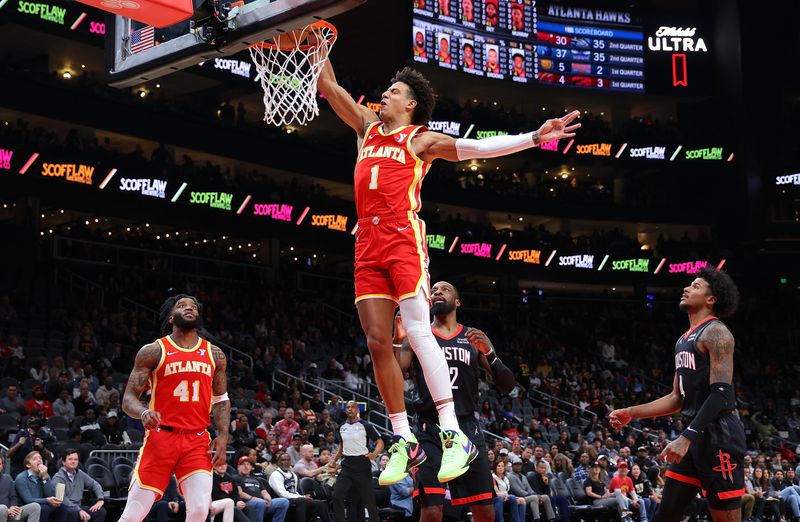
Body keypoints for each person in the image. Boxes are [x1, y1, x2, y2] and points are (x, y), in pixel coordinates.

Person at [317, 54, 580, 487]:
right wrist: (313, 37)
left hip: (403, 238)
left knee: (419, 333)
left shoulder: (420, 140)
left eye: (394, 91)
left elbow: (475, 149)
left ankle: (453, 433)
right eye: (386, 89)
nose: (385, 94)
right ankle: (403, 440)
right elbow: (328, 84)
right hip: (367, 240)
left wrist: (535, 137)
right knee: (378, 340)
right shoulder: (366, 127)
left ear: (411, 105)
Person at [610, 268, 744, 522]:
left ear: (711, 299)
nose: (686, 288)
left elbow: (722, 394)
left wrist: (686, 437)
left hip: (719, 436)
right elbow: (676, 398)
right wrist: (631, 412)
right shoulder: (683, 340)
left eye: (695, 285)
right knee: (665, 515)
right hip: (694, 437)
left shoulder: (716, 332)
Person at [395, 281, 516, 522]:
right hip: (429, 427)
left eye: (445, 289)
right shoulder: (418, 336)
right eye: (434, 290)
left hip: (467, 427)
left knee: (484, 509)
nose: (438, 292)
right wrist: (397, 340)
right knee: (431, 508)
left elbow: (508, 385)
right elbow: (394, 377)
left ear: (458, 302)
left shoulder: (473, 337)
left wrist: (490, 353)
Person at [118, 295, 230, 522]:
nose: (189, 308)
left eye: (194, 307)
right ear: (171, 317)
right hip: (161, 438)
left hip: (197, 439)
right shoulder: (153, 351)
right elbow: (128, 398)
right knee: (133, 516)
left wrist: (223, 436)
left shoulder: (215, 354)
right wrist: (143, 411)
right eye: (182, 305)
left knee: (199, 510)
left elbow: (221, 400)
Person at [330, 400, 384, 522]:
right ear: (345, 410)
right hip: (347, 465)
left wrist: (374, 454)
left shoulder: (366, 425)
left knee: (369, 501)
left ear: (357, 410)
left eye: (352, 407)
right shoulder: (341, 427)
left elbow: (380, 442)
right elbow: (341, 447)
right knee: (337, 496)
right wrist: (334, 460)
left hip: (362, 466)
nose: (350, 409)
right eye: (348, 407)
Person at [268, 453, 331, 522]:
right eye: (283, 460)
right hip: (282, 501)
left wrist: (303, 496)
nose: (286, 462)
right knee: (302, 501)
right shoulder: (276, 475)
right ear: (278, 462)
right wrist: (303, 497)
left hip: (295, 500)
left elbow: (294, 492)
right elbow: (281, 493)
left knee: (320, 504)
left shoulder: (293, 474)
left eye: (288, 460)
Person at [52, 449, 106, 522]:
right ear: (64, 462)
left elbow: (95, 484)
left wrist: (100, 499)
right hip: (65, 508)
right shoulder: (58, 478)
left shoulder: (80, 474)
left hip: (79, 506)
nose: (73, 461)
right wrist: (79, 510)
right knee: (73, 513)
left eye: (76, 459)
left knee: (101, 512)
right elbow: (62, 500)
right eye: (70, 459)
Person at [13, 451, 64, 522]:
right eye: (35, 459)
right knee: (44, 508)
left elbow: (51, 494)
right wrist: (47, 500)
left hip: (42, 504)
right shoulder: (21, 478)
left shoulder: (45, 475)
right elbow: (28, 500)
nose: (39, 460)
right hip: (23, 508)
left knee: (62, 506)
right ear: (28, 465)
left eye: (40, 458)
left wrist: (45, 478)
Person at [235, 457, 290, 522]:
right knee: (260, 503)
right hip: (248, 502)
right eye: (243, 464)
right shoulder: (235, 478)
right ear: (238, 467)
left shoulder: (257, 479)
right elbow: (240, 493)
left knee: (284, 502)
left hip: (262, 502)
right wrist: (252, 498)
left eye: (248, 464)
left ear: (251, 467)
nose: (246, 466)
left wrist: (268, 499)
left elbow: (264, 492)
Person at [508, 455, 554, 522]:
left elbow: (529, 489)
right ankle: (536, 519)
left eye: (520, 465)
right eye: (516, 465)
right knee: (534, 498)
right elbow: (518, 491)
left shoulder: (523, 476)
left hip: (526, 497)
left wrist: (537, 495)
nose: (518, 466)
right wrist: (535, 496)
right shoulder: (510, 476)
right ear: (512, 466)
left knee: (545, 497)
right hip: (518, 498)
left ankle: (551, 519)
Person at [0, 454, 41, 522]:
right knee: (2, 508)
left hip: (11, 512)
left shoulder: (7, 478)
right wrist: (7, 510)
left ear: (2, 465)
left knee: (35, 507)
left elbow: (14, 497)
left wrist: (12, 508)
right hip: (2, 510)